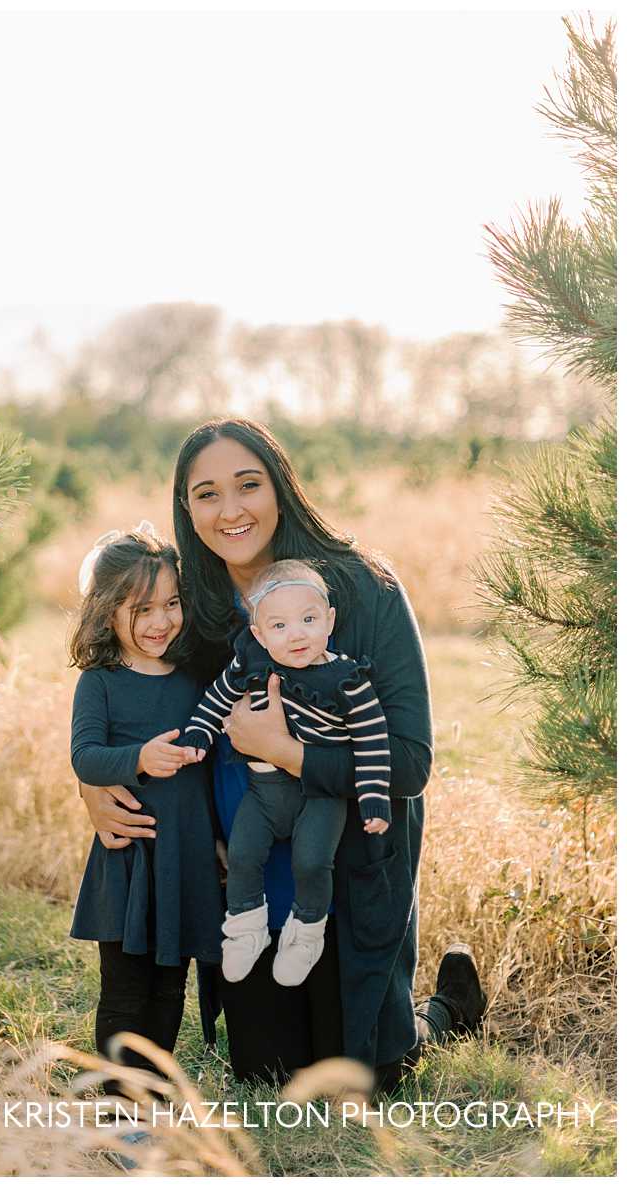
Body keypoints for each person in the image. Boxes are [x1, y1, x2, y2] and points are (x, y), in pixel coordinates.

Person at [80, 418, 485, 1093]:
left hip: (345, 870)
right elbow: (132, 692)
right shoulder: (197, 608)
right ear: (187, 508)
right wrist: (97, 783)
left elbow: (409, 765)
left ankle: (442, 1011)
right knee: (268, 1073)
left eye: (248, 484)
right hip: (247, 881)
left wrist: (286, 751)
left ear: (281, 487)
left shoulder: (363, 591)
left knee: (363, 1072)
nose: (230, 509)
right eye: (206, 493)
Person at [179, 559, 392, 987]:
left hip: (319, 796)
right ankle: (245, 927)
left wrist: (373, 798)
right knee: (242, 855)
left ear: (329, 620)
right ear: (258, 634)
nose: (296, 634)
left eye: (308, 620)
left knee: (312, 862)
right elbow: (215, 700)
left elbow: (373, 743)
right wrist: (199, 733)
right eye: (278, 626)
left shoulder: (347, 680)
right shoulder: (251, 664)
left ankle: (306, 934)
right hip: (264, 789)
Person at [67, 524, 221, 1078]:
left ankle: (150, 1099)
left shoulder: (191, 679)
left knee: (168, 989)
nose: (161, 622)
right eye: (143, 609)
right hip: (130, 860)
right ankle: (117, 1102)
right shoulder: (100, 682)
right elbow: (85, 756)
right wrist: (139, 759)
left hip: (184, 856)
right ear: (109, 612)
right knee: (125, 990)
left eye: (171, 604)